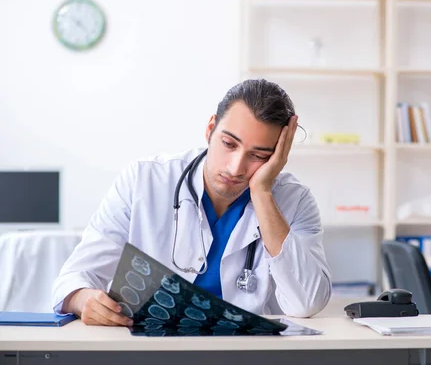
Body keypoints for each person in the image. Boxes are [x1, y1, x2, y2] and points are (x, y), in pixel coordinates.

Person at [52, 79, 332, 326]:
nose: (236, 168)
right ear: (210, 129)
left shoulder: (294, 200)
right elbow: (74, 276)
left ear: (277, 157)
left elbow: (305, 303)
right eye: (229, 144)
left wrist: (262, 194)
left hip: (246, 355)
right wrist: (83, 299)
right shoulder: (144, 180)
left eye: (259, 156)